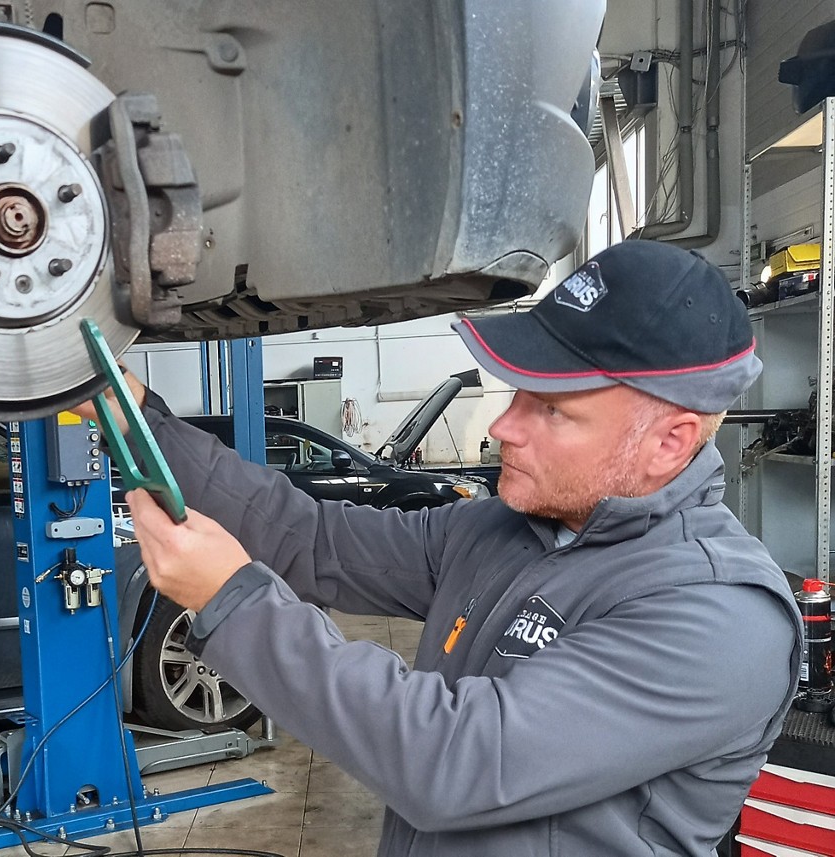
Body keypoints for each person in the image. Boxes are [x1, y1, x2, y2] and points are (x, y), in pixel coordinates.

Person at [79, 239, 802, 856]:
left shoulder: (719, 615)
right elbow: (312, 538)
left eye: (551, 409)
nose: (502, 426)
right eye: (517, 392)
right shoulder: (499, 530)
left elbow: (453, 761)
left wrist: (233, 602)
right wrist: (131, 414)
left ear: (669, 442)